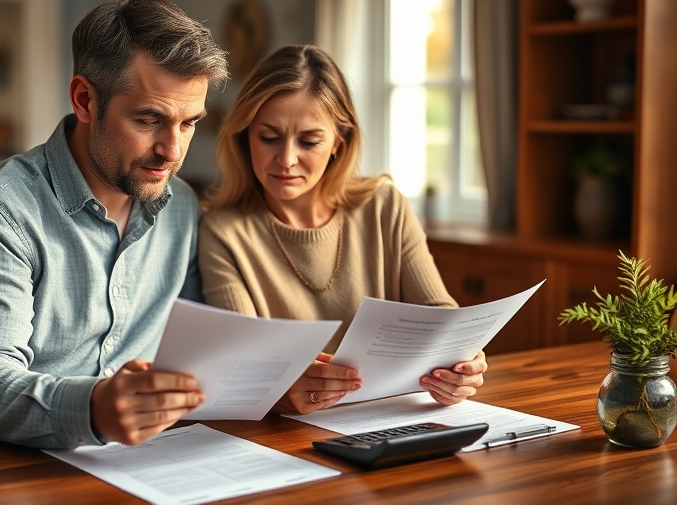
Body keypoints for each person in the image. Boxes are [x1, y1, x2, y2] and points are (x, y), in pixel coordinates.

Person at [0, 0, 229, 449]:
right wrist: (94, 407)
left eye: (189, 123)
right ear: (84, 100)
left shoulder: (182, 208)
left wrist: (276, 383)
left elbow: (197, 353)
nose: (172, 151)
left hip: (138, 464)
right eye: (148, 119)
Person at [199, 44, 486, 415]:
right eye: (268, 137)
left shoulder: (384, 206)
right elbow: (244, 366)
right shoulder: (223, 231)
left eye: (309, 141)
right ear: (244, 136)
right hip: (289, 433)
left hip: (391, 415)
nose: (286, 159)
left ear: (339, 141)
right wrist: (284, 394)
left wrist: (462, 363)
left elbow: (440, 317)